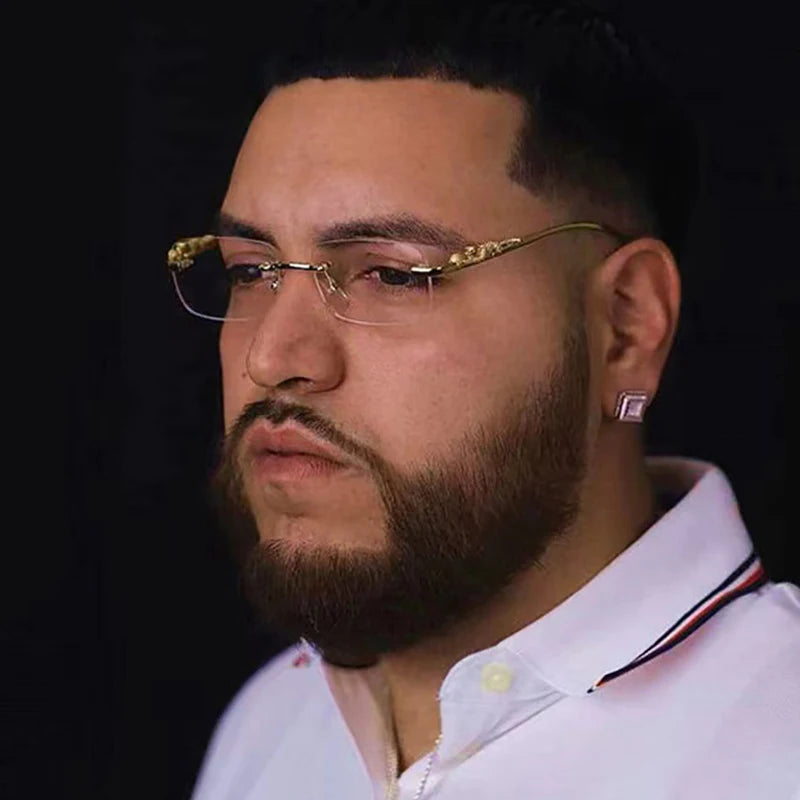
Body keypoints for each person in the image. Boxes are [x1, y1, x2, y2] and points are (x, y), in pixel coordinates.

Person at [167, 2, 800, 797]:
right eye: (251, 271)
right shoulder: (274, 725)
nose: (271, 357)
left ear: (625, 328)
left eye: (393, 274)